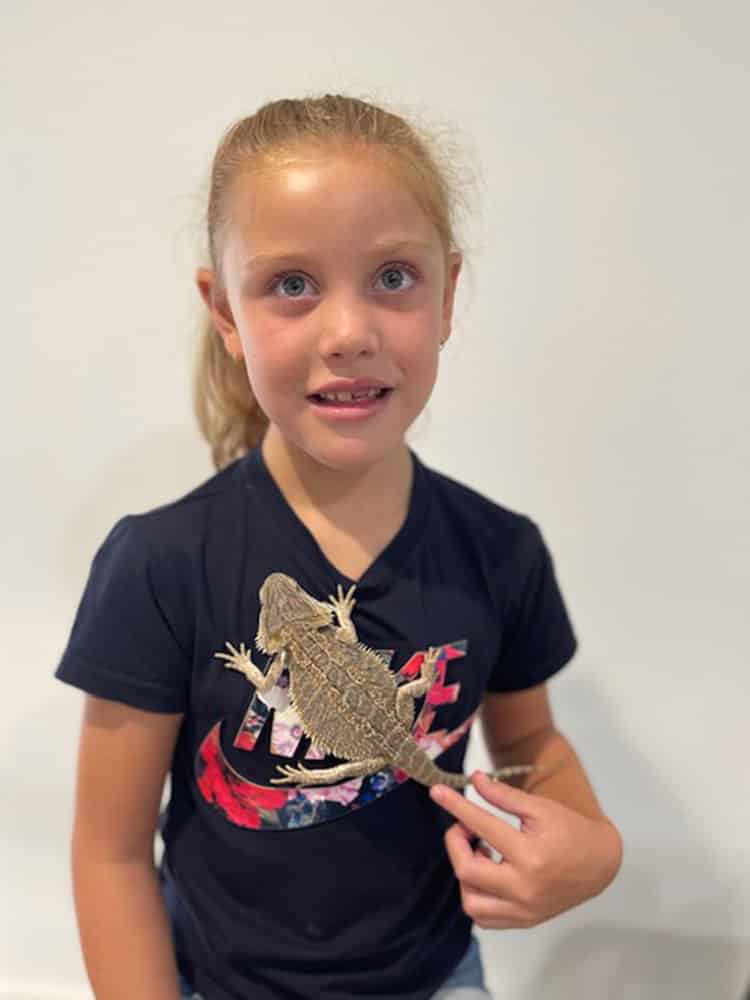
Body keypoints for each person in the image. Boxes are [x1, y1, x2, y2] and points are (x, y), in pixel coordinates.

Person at [55, 93, 623, 1000]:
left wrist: (594, 844)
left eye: (394, 276)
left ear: (448, 294)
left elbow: (530, 745)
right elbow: (110, 853)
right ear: (225, 313)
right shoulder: (160, 563)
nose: (350, 333)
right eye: (291, 285)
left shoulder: (502, 551)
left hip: (439, 974)